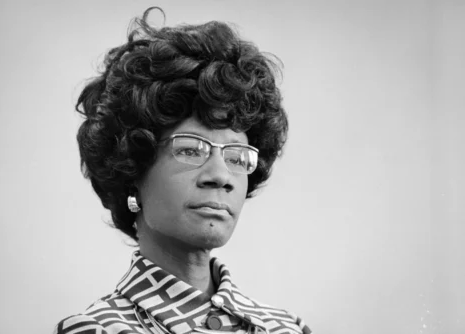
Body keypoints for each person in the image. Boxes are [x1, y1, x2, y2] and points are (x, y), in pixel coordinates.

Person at [55, 7, 312, 334]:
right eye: (191, 149)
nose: (220, 176)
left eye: (236, 155)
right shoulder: (96, 330)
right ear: (133, 169)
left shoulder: (287, 328)